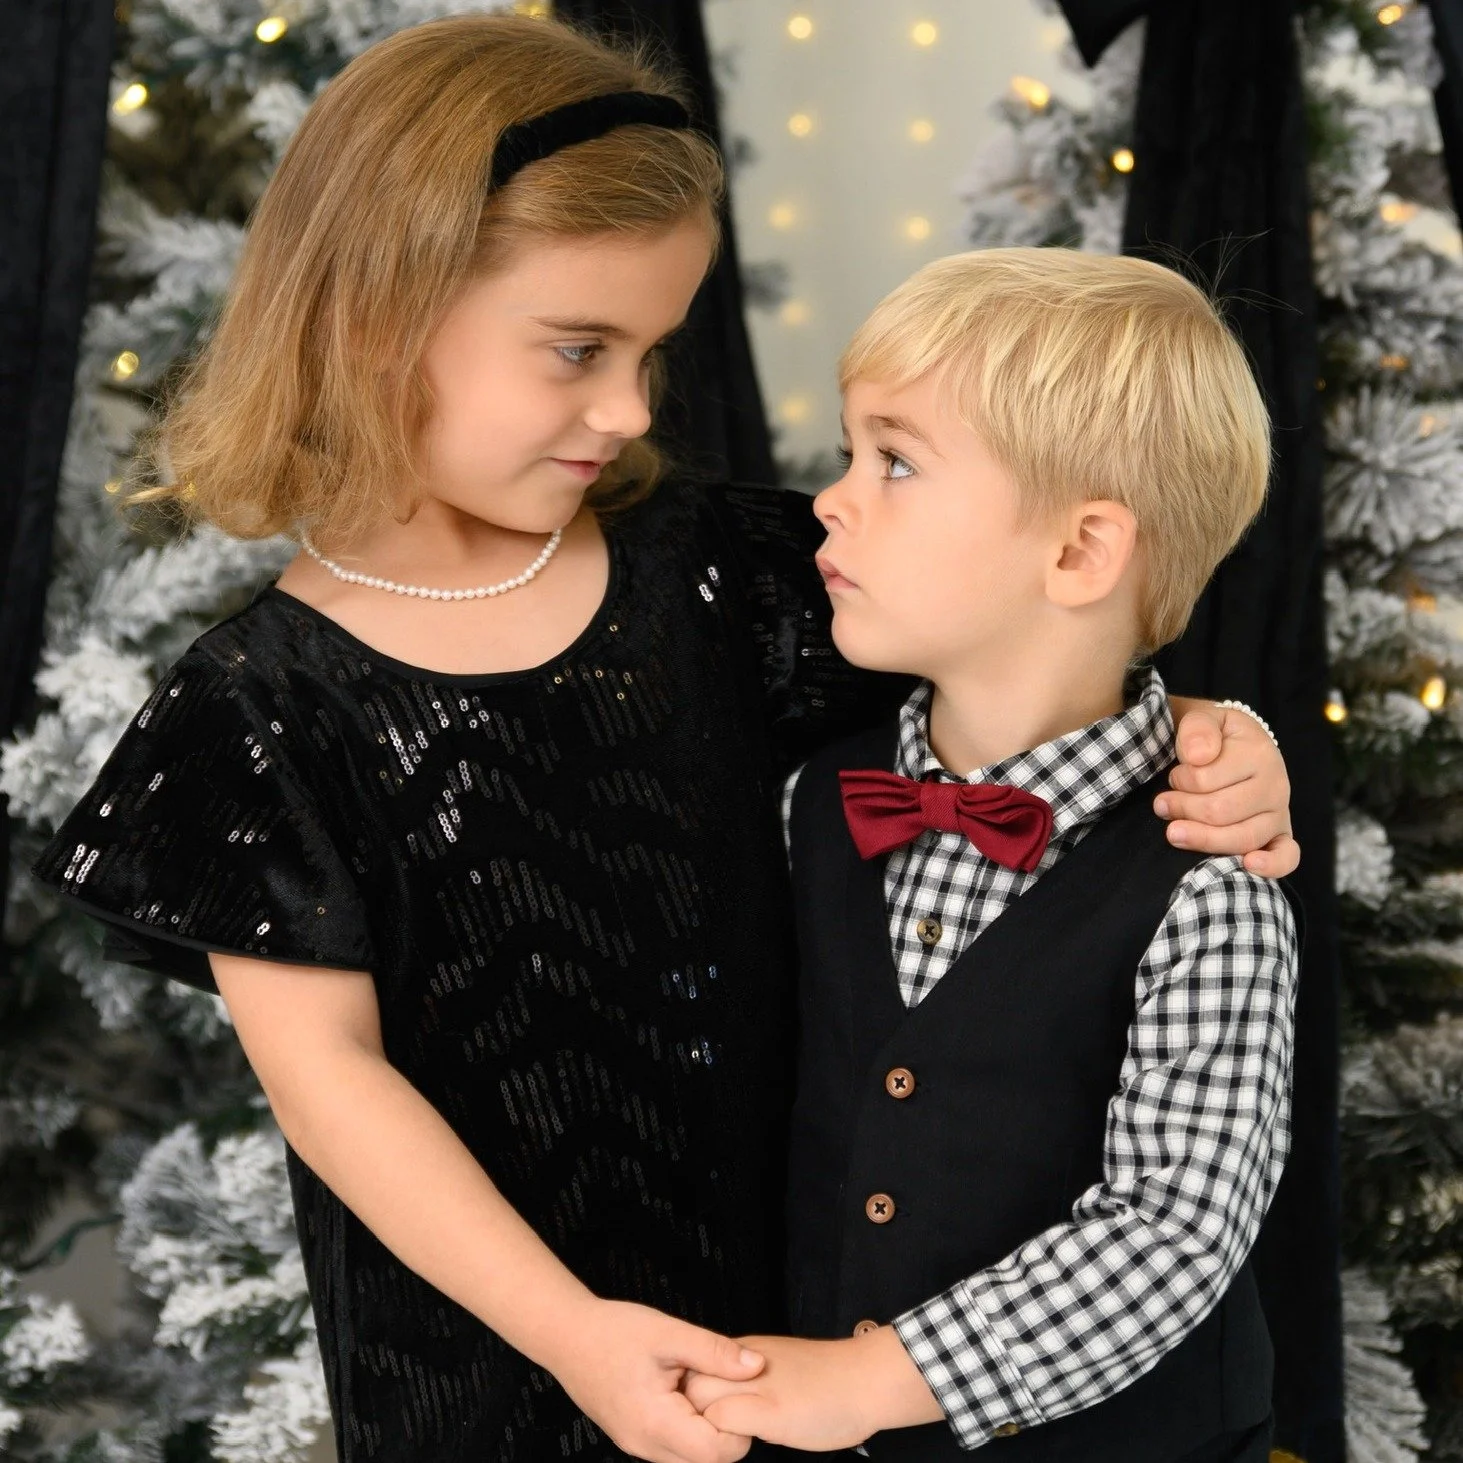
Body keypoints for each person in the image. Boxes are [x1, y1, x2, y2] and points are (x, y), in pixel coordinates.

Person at [29, 18, 1298, 1463]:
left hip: (795, 1352)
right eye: (578, 348)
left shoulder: (723, 573)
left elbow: (1018, 658)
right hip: (497, 1357)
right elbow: (333, 1084)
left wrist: (1207, 729)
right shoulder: (256, 707)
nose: (630, 408)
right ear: (378, 313)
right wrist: (573, 1332)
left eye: (650, 350)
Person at [681, 249, 1302, 1463]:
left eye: (894, 461)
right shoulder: (815, 799)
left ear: (1076, 554)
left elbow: (1171, 1230)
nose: (832, 497)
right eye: (854, 453)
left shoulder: (1209, 885)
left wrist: (874, 1376)